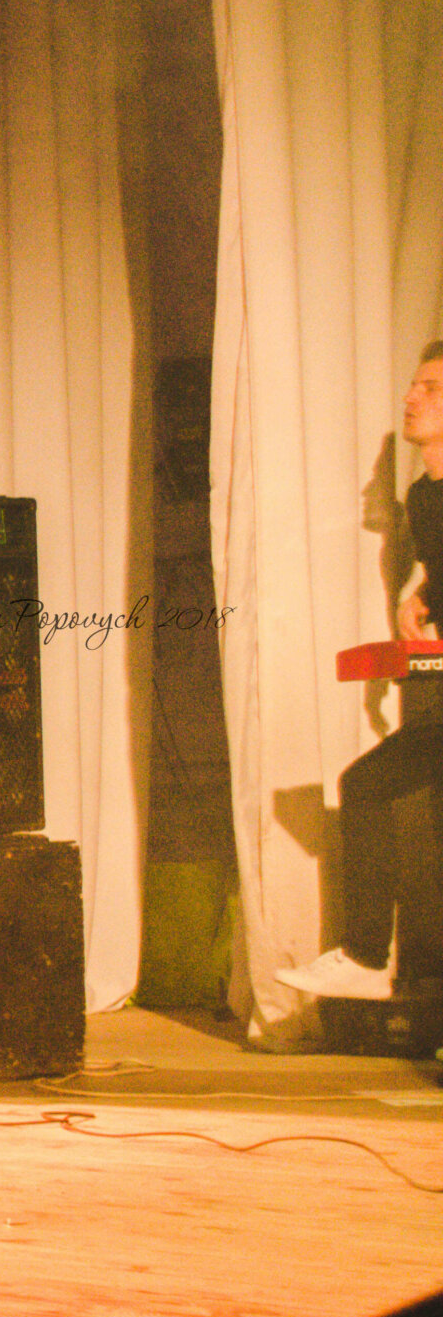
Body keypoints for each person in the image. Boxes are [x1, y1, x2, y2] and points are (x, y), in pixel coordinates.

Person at [283, 341, 443, 1003]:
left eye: (430, 388)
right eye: (412, 385)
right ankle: (368, 958)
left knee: (370, 786)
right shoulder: (423, 496)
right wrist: (421, 594)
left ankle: (369, 956)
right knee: (370, 787)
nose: (411, 398)